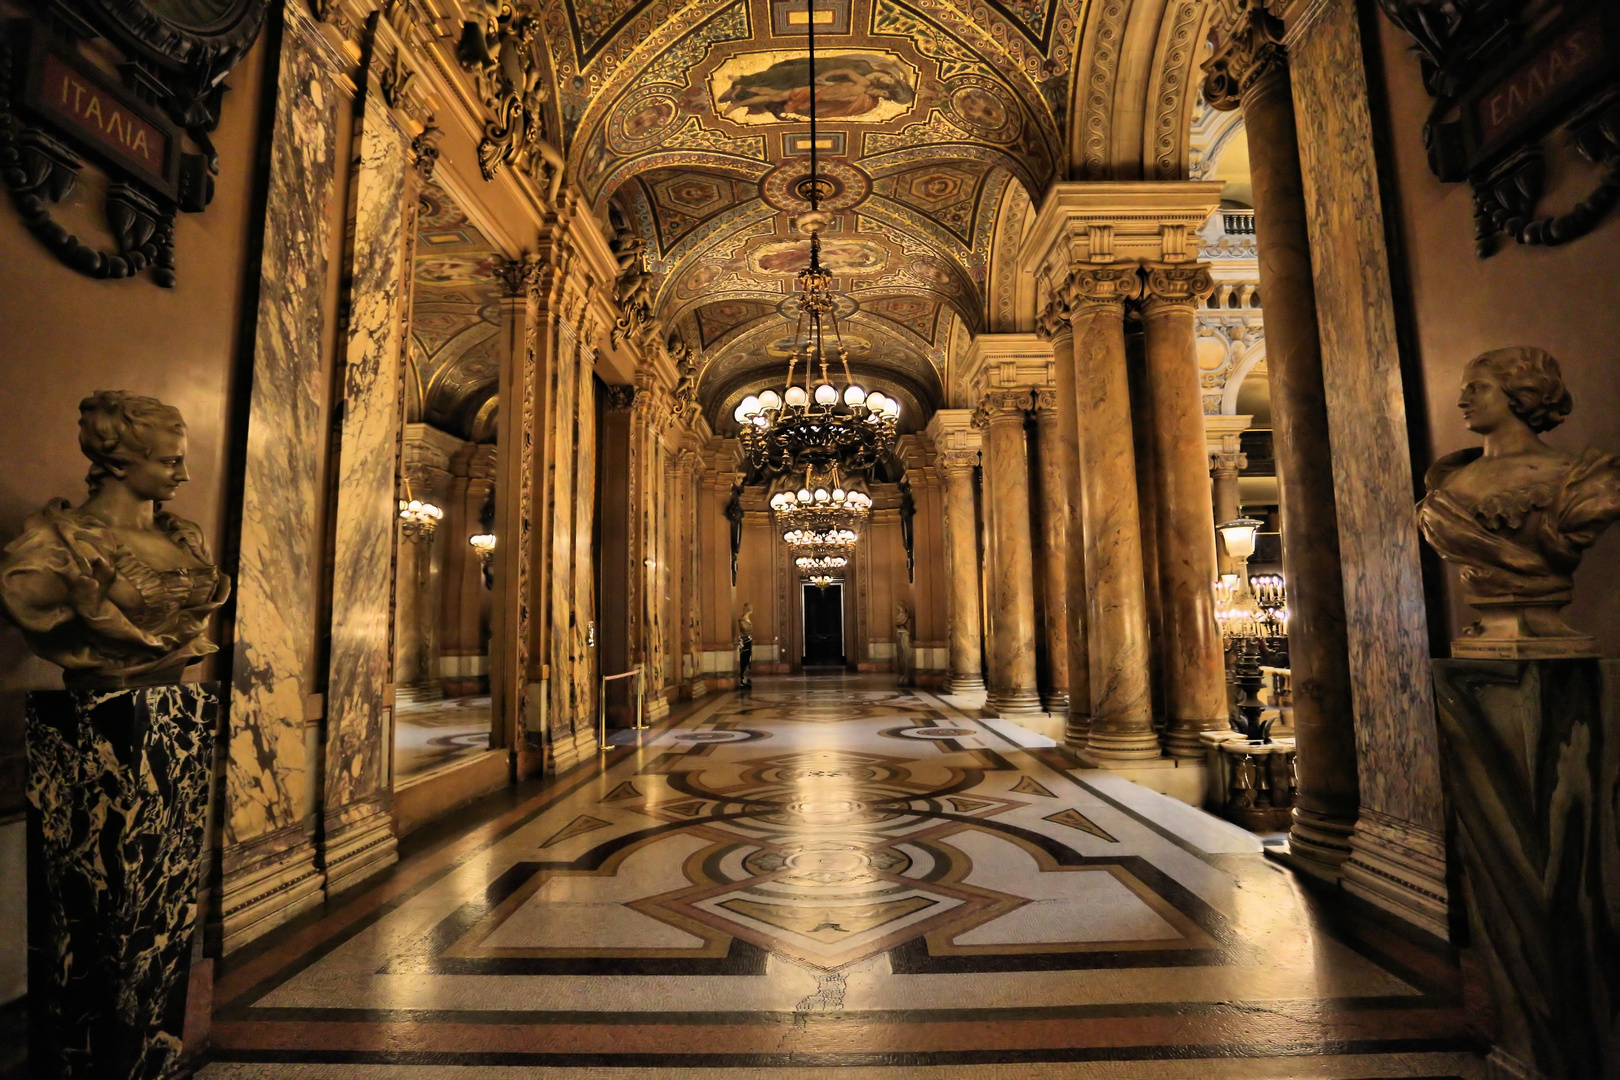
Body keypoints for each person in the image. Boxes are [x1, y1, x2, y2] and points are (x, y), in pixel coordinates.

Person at [0, 392, 230, 686]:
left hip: (172, 704)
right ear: (119, 465)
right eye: (170, 461)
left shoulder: (187, 537)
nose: (183, 475)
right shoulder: (60, 545)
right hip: (105, 699)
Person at [1417, 346, 1620, 647]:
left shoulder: (1585, 479)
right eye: (1464, 391)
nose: (1462, 402)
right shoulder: (1447, 484)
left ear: (1523, 394)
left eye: (1478, 389)